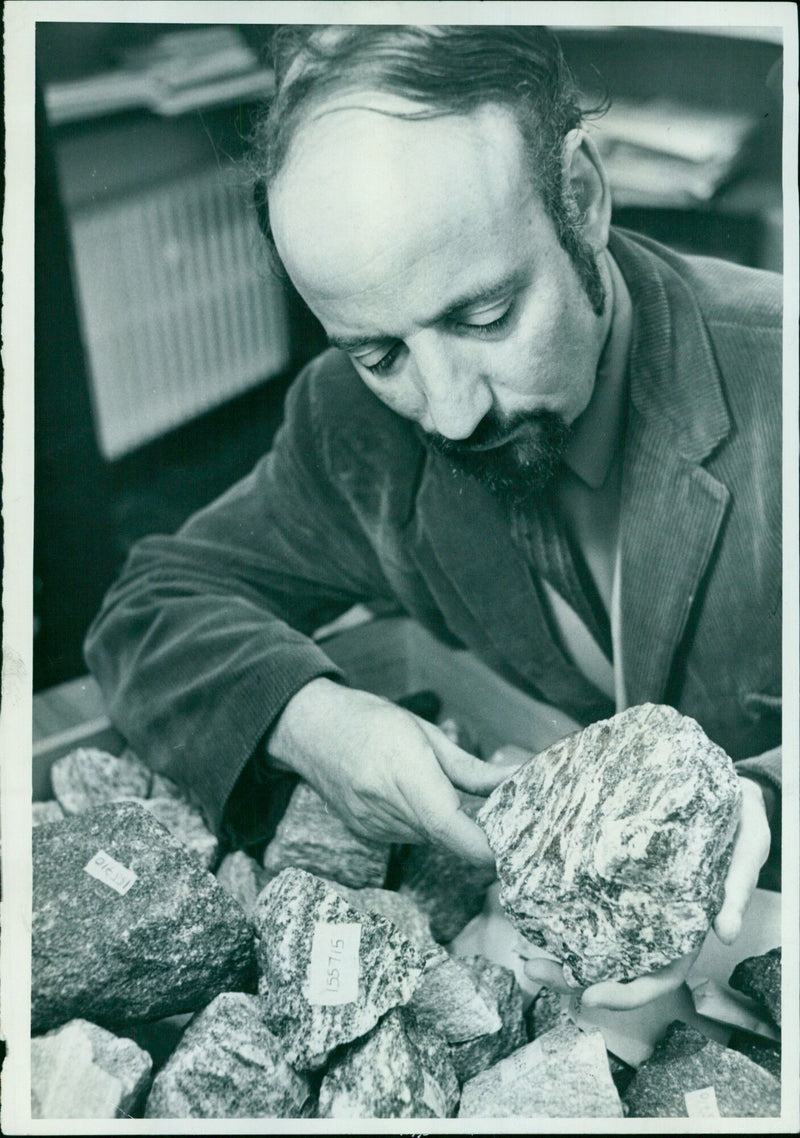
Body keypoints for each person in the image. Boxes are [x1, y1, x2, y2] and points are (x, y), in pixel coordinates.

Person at [84, 25, 781, 1009]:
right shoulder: (350, 427)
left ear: (578, 201)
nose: (449, 410)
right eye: (379, 354)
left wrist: (758, 797)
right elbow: (148, 606)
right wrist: (314, 721)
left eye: (484, 317)